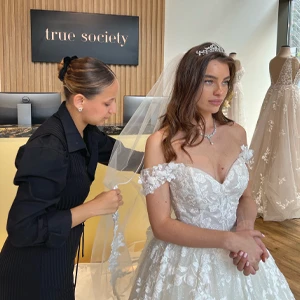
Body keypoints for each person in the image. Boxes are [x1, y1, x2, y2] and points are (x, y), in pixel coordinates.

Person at [121, 43, 294, 299]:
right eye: (209, 81)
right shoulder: (161, 143)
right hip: (184, 264)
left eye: (225, 82)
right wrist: (229, 240)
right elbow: (161, 225)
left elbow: (246, 197)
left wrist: (245, 230)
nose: (219, 91)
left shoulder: (237, 133)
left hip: (239, 249)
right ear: (188, 82)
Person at [0, 56, 142, 300]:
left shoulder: (87, 133)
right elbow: (22, 229)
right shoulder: (49, 149)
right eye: (108, 102)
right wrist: (92, 208)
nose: (114, 110)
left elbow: (127, 158)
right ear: (79, 101)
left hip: (59, 259)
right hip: (31, 274)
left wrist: (174, 152)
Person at [250, 45, 300, 221]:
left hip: (273, 100)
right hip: (287, 102)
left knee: (275, 141)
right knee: (280, 141)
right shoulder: (294, 61)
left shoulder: (273, 61)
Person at [225, 52, 247, 128]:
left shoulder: (236, 62)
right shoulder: (235, 62)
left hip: (237, 88)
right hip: (233, 88)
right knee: (231, 107)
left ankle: (237, 126)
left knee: (237, 107)